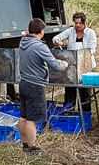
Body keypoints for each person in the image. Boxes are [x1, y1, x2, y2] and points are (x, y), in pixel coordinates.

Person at [18, 18, 69, 155]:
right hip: (35, 86)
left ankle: (24, 145)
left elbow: (36, 60)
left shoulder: (23, 42)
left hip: (24, 83)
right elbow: (55, 66)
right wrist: (64, 64)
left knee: (23, 116)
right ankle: (32, 147)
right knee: (32, 119)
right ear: (42, 31)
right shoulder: (39, 46)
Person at [53, 12, 97, 111]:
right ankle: (69, 112)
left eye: (80, 23)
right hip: (71, 66)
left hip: (86, 66)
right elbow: (56, 38)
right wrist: (57, 41)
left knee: (85, 92)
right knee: (70, 91)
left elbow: (92, 49)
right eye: (76, 23)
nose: (77, 25)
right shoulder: (70, 31)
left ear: (84, 23)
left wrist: (82, 55)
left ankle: (85, 114)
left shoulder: (91, 33)